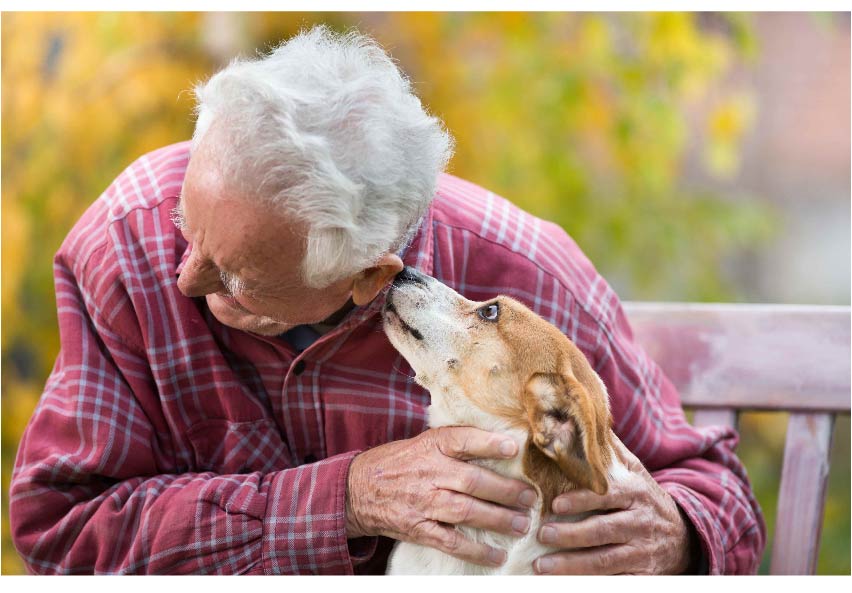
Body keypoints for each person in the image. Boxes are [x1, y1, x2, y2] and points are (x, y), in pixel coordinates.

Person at [9, 25, 765, 575]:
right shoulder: (127, 244)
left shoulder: (526, 281)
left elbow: (714, 490)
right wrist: (343, 498)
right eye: (188, 223)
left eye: (238, 274)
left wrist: (678, 534)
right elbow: (60, 529)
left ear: (372, 277)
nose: (186, 278)